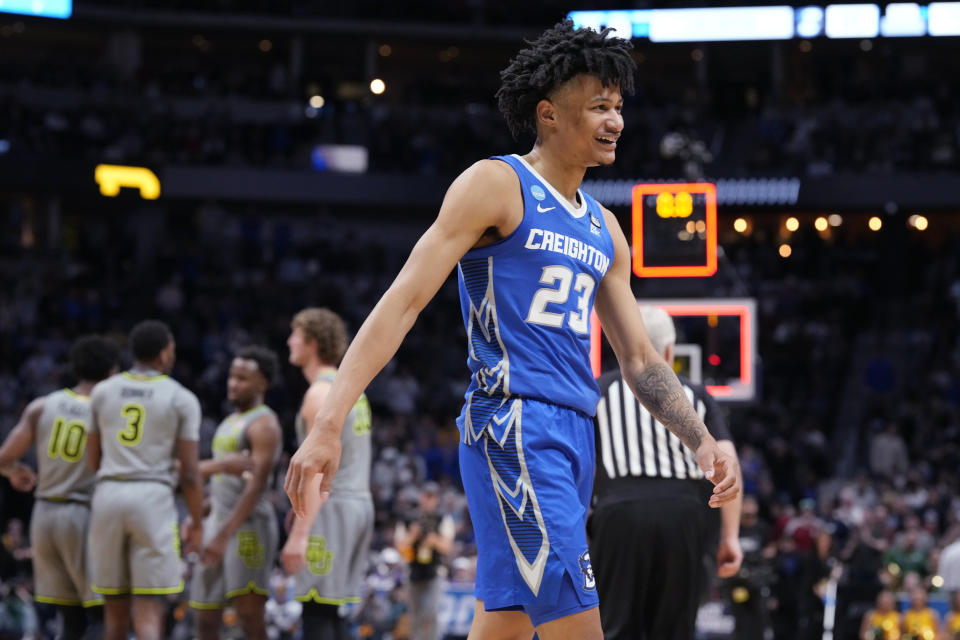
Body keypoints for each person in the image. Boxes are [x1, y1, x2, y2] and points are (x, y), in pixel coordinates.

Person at [285, 20, 739, 640]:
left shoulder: (604, 228)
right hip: (515, 425)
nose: (616, 121)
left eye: (619, 106)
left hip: (578, 434)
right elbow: (403, 301)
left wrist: (700, 438)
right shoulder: (497, 184)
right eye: (599, 105)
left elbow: (638, 358)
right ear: (549, 114)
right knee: (578, 623)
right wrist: (329, 421)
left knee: (506, 620)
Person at [590, 306, 743, 640]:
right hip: (682, 514)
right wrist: (730, 538)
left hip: (619, 513)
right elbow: (728, 464)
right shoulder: (695, 396)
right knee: (675, 630)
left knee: (614, 628)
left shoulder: (597, 392)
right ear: (671, 352)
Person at [87, 320, 206, 640]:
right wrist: (196, 521)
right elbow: (191, 474)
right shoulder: (180, 397)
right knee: (149, 611)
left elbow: (92, 460)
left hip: (109, 493)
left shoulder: (102, 391)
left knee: (113, 614)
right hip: (152, 496)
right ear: (165, 354)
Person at [0, 335, 120, 640]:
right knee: (104, 616)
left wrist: (15, 473)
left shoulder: (42, 406)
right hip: (83, 514)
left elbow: (4, 459)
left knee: (69, 618)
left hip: (43, 516)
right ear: (112, 372)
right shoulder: (109, 411)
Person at [282, 308, 374, 640]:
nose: (289, 340)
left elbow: (318, 472)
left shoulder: (319, 394)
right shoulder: (351, 389)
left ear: (312, 343)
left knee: (316, 609)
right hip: (358, 504)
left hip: (331, 506)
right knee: (332, 610)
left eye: (295, 334)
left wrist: (300, 533)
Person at [189, 346, 283, 640]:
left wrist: (222, 534)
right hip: (219, 521)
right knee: (204, 620)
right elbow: (226, 484)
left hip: (248, 528)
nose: (233, 383)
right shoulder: (229, 421)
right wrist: (202, 512)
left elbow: (256, 488)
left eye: (243, 378)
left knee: (249, 617)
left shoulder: (265, 424)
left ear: (262, 384)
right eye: (232, 376)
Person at [396, 482, 456, 640]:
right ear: (420, 496)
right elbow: (400, 548)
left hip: (435, 572)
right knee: (414, 615)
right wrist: (413, 536)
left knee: (432, 613)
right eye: (425, 496)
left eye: (432, 497)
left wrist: (433, 540)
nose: (428, 500)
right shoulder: (408, 518)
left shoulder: (442, 518)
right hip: (412, 571)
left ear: (436, 499)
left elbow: (447, 547)